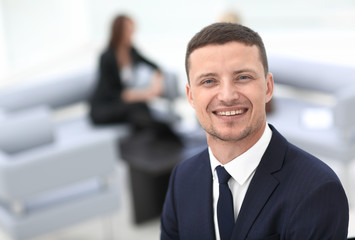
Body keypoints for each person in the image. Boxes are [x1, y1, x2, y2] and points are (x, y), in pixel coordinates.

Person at [160, 22, 349, 240]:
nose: (227, 95)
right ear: (190, 96)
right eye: (209, 81)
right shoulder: (181, 178)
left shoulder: (317, 189)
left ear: (268, 88)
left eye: (243, 77)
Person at [89, 14, 178, 141]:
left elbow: (156, 67)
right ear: (119, 32)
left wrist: (156, 85)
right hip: (103, 107)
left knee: (141, 108)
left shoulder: (131, 51)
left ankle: (162, 138)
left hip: (121, 103)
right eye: (128, 30)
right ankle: (163, 137)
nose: (131, 33)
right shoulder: (106, 57)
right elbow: (114, 93)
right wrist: (145, 94)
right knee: (137, 110)